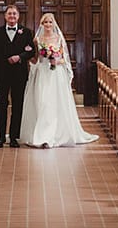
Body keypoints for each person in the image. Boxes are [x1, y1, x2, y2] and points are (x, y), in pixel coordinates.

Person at [16, 13, 98, 148]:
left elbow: (64, 59)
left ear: (54, 24)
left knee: (54, 103)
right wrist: (29, 56)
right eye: (45, 22)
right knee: (42, 102)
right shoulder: (37, 40)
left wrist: (55, 60)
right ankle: (41, 135)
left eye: (50, 22)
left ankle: (53, 135)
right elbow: (35, 59)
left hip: (55, 74)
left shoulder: (59, 38)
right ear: (41, 24)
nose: (48, 25)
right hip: (42, 73)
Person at [0, 4, 35, 148]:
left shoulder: (26, 32)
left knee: (18, 105)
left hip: (19, 74)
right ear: (5, 16)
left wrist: (19, 57)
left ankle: (14, 137)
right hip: (2, 73)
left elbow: (31, 51)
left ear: (18, 16)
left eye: (14, 14)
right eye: (9, 14)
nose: (12, 16)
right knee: (2, 104)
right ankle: (1, 137)